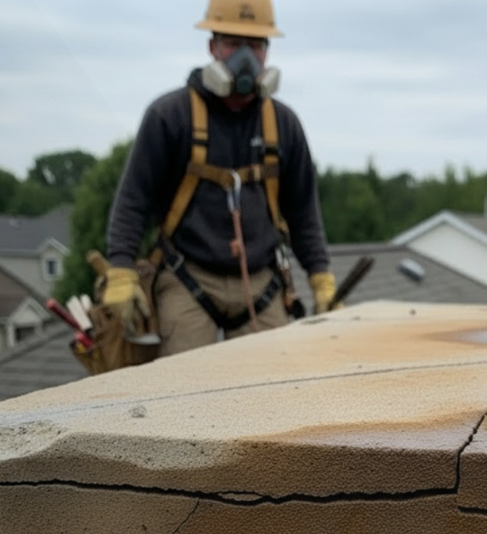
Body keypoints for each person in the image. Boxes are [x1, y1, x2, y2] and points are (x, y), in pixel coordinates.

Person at [103, 0, 336, 356]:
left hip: (261, 282)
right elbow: (133, 201)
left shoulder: (283, 124)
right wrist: (120, 268)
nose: (245, 56)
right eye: (233, 43)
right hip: (187, 277)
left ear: (267, 52)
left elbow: (304, 211)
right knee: (183, 390)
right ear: (212, 46)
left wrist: (320, 276)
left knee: (275, 387)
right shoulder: (170, 116)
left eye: (256, 45)